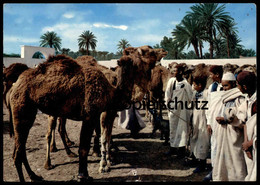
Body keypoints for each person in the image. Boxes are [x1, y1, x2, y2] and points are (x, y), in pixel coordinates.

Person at [212, 72, 247, 181]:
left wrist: (228, 120)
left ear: (233, 84)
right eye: (223, 86)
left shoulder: (239, 98)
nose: (225, 88)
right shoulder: (224, 98)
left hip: (234, 136)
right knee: (223, 161)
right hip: (223, 134)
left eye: (226, 85)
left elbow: (243, 119)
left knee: (236, 161)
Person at [164, 63, 193, 159]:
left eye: (175, 71)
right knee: (173, 129)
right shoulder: (172, 82)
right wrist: (168, 105)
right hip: (173, 111)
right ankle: (172, 148)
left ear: (180, 72)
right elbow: (167, 95)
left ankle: (181, 150)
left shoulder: (186, 84)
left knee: (182, 130)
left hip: (183, 112)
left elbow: (190, 98)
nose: (173, 73)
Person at [235, 71, 257, 181]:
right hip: (250, 145)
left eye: (238, 85)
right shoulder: (248, 99)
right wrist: (246, 143)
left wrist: (251, 142)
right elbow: (246, 123)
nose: (237, 87)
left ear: (244, 86)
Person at [204, 65, 223, 181]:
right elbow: (209, 106)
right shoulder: (212, 87)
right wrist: (209, 122)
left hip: (225, 121)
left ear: (217, 74)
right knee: (214, 145)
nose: (210, 76)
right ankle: (214, 170)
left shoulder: (228, 86)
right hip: (214, 121)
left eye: (211, 74)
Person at [189, 75, 210, 173]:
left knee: (202, 141)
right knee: (194, 139)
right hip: (195, 120)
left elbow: (209, 108)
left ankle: (202, 164)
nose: (193, 86)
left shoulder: (206, 94)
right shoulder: (195, 94)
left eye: (194, 85)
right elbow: (191, 106)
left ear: (200, 85)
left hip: (203, 120)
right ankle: (194, 159)